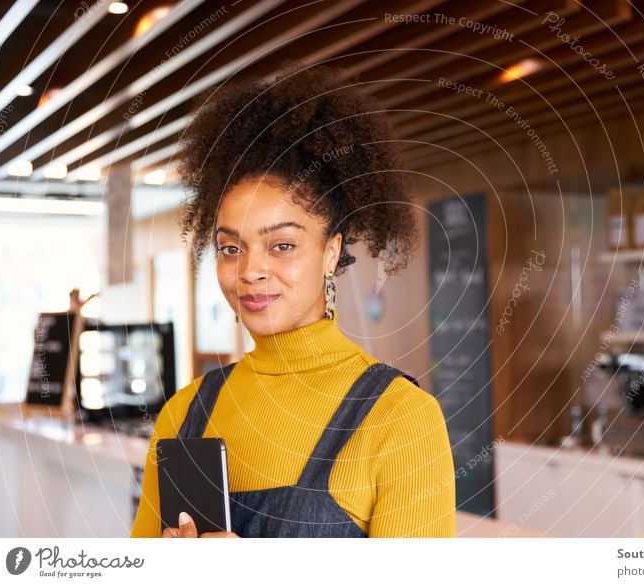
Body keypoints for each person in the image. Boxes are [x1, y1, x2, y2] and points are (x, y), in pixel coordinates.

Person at [130, 64, 456, 538]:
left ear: (331, 252)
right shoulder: (183, 415)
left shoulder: (400, 418)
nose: (250, 271)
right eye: (229, 248)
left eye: (281, 245)